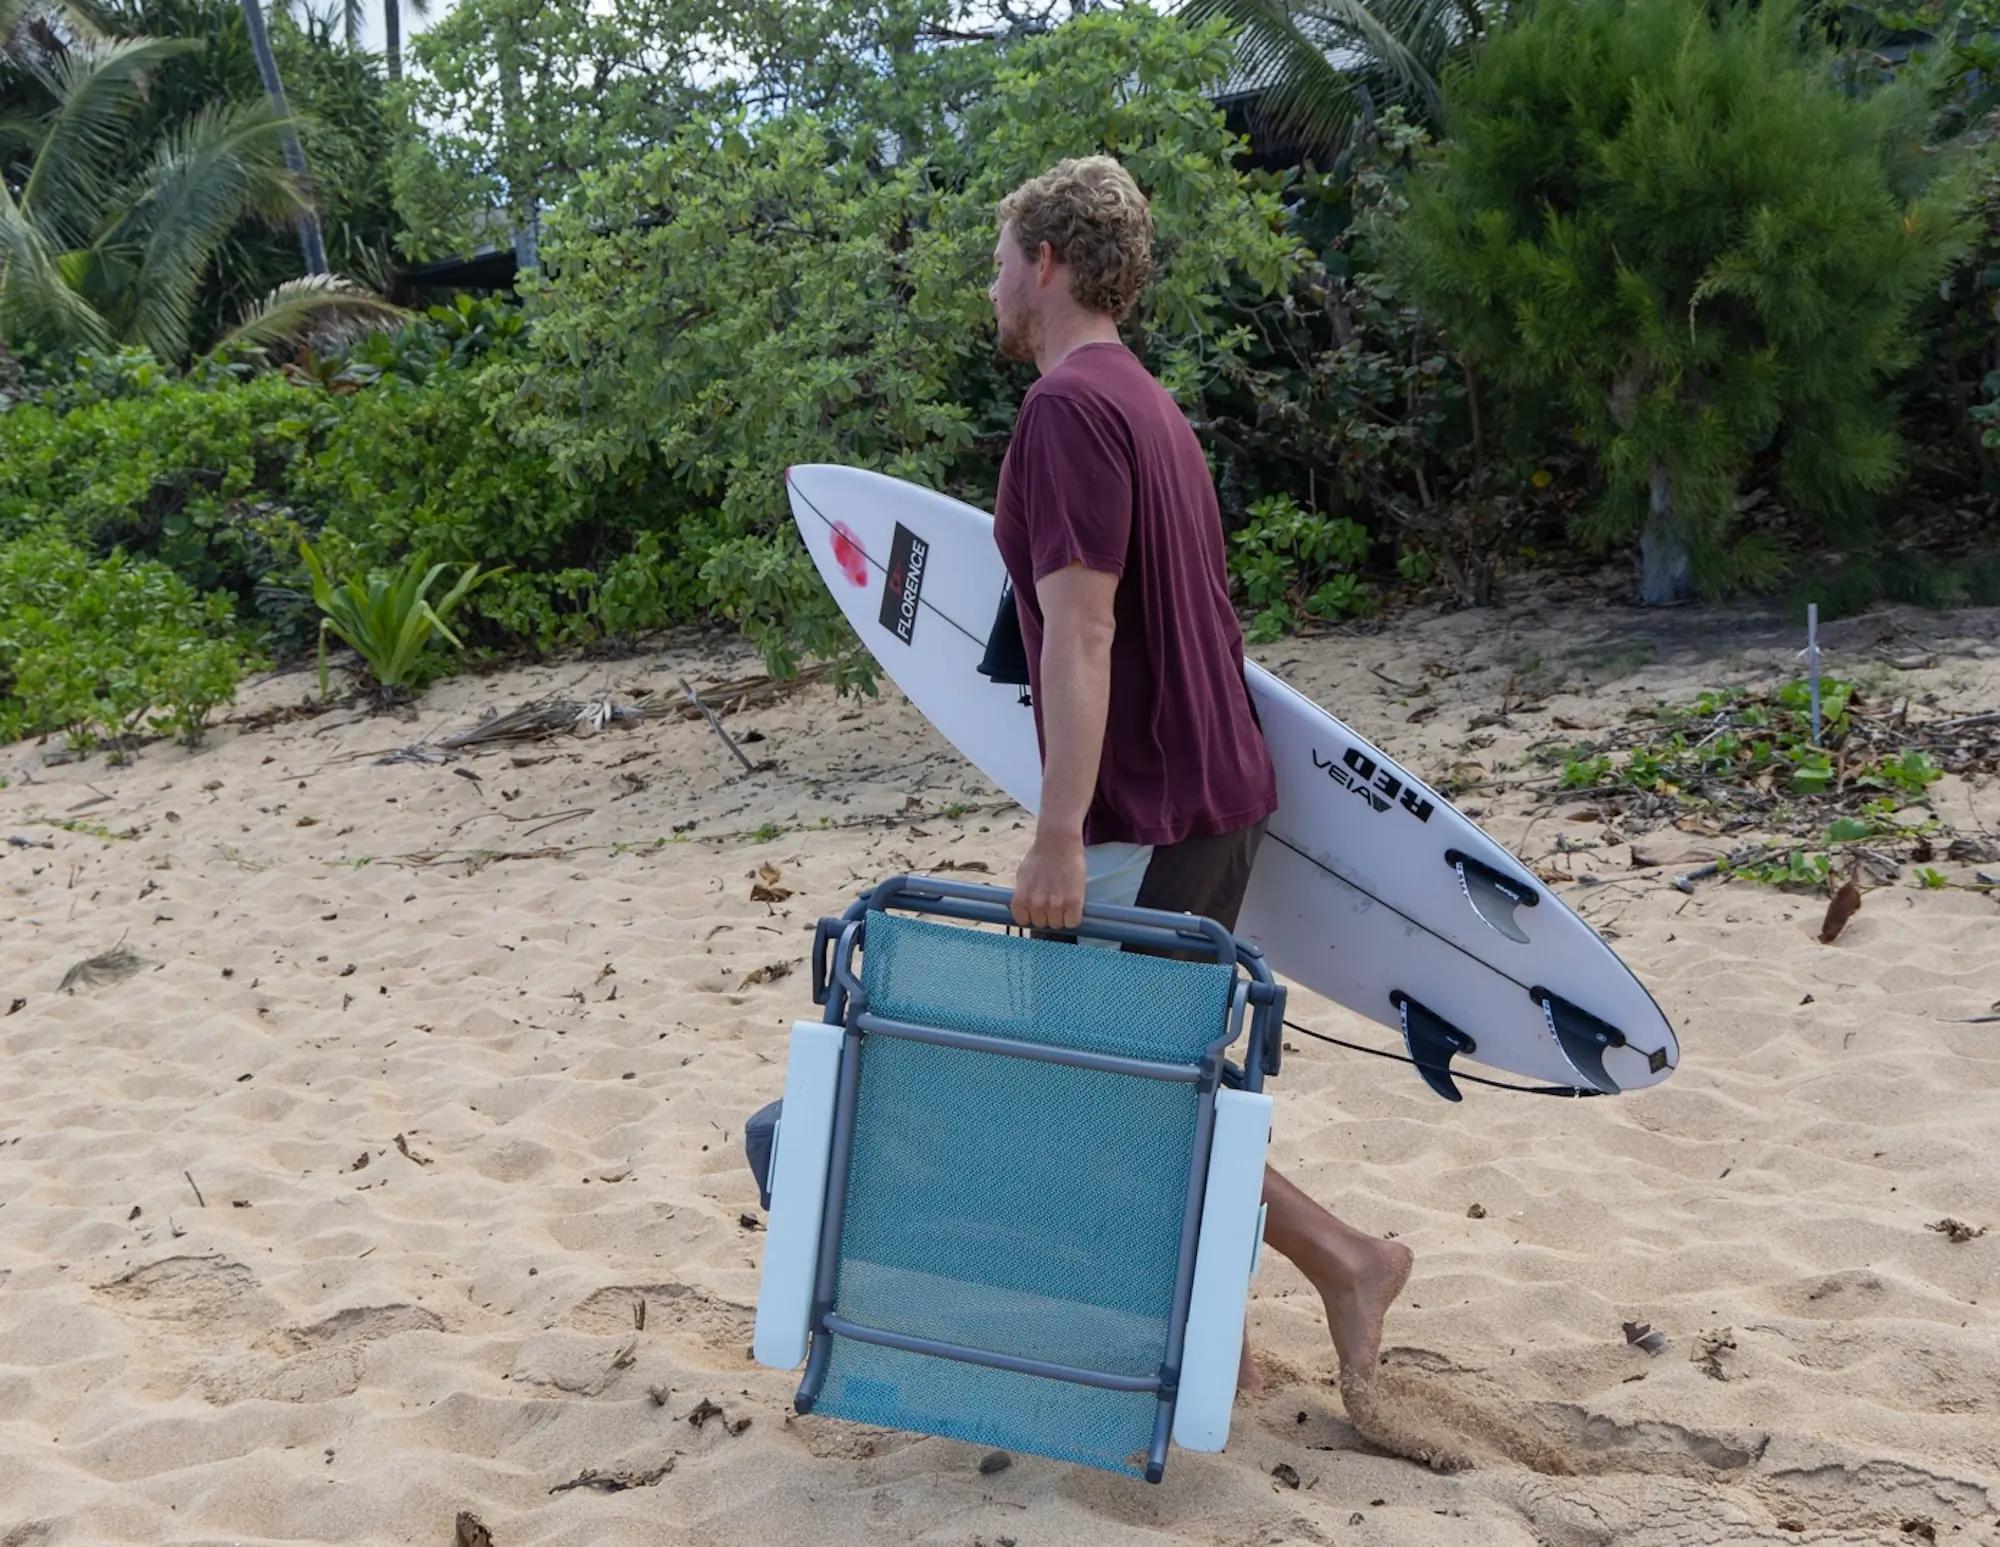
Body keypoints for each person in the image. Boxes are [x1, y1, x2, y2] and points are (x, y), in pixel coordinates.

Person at [989, 155, 1411, 1391]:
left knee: (1112, 1087)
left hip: (1146, 807)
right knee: (1134, 1075)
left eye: (1003, 256)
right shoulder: (1148, 406)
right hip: (1210, 791)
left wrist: (1059, 829)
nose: (995, 283)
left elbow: (1083, 627)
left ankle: (1343, 1258)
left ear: (1048, 262)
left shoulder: (1065, 410)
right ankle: (1224, 1319)